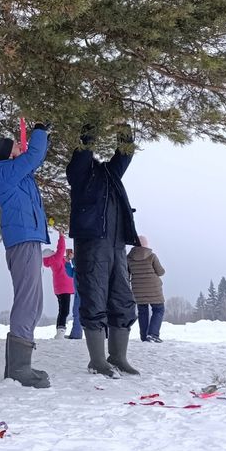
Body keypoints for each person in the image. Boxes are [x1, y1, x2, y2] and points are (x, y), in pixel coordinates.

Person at [67, 123, 141, 377]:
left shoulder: (110, 174)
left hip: (117, 244)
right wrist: (93, 125)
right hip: (92, 245)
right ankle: (97, 360)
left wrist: (123, 129)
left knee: (123, 299)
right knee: (94, 298)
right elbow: (84, 153)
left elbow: (125, 155)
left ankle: (118, 356)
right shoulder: (78, 174)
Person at [0, 122, 52, 389]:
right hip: (23, 239)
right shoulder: (4, 172)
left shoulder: (14, 173)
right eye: (17, 147)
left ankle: (18, 366)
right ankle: (20, 369)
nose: (21, 149)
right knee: (27, 302)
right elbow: (33, 156)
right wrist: (39, 133)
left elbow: (33, 160)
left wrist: (42, 139)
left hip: (28, 238)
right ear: (9, 155)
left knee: (35, 304)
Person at [128, 235, 166, 342]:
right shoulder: (152, 256)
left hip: (138, 289)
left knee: (142, 311)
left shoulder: (129, 257)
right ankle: (153, 334)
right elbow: (161, 272)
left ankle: (144, 337)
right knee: (158, 309)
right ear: (146, 244)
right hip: (154, 288)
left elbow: (126, 274)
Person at [43, 231, 75, 338]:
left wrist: (68, 259)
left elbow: (63, 260)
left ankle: (60, 330)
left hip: (61, 288)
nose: (54, 252)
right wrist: (61, 236)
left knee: (62, 309)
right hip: (63, 288)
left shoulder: (55, 261)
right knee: (64, 310)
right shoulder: (54, 260)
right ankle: (60, 331)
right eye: (52, 251)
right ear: (50, 255)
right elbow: (61, 249)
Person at [66, 247, 83, 339]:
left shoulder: (82, 264)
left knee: (78, 312)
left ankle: (77, 334)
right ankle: (76, 334)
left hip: (83, 292)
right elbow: (70, 273)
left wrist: (72, 259)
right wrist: (67, 262)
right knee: (76, 312)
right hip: (78, 292)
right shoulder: (76, 269)